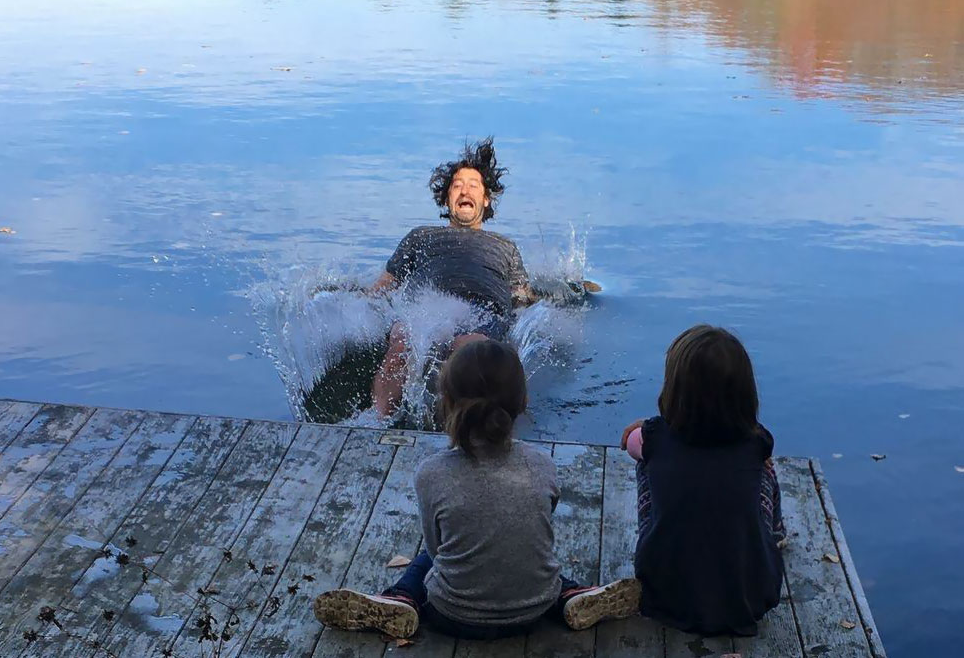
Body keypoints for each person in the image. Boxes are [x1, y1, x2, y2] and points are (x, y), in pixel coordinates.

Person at [315, 339, 641, 640]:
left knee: (427, 557)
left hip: (453, 615)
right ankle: (569, 594)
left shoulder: (431, 473)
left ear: (448, 401)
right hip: (533, 611)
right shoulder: (543, 464)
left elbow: (438, 548)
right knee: (530, 554)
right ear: (523, 402)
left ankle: (401, 597)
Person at [620, 325, 786, 637]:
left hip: (664, 594)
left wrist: (643, 429)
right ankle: (775, 533)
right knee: (764, 468)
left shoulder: (656, 437)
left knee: (645, 462)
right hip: (751, 597)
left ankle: (661, 534)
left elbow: (630, 443)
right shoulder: (756, 443)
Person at [370, 137, 536, 419]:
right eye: (456, 185)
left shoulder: (505, 246)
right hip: (426, 310)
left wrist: (559, 295)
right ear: (447, 199)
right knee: (402, 342)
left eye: (473, 185)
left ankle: (456, 434)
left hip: (482, 315)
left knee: (468, 350)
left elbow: (521, 297)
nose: (464, 190)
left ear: (485, 198)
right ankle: (375, 425)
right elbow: (384, 286)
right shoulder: (421, 236)